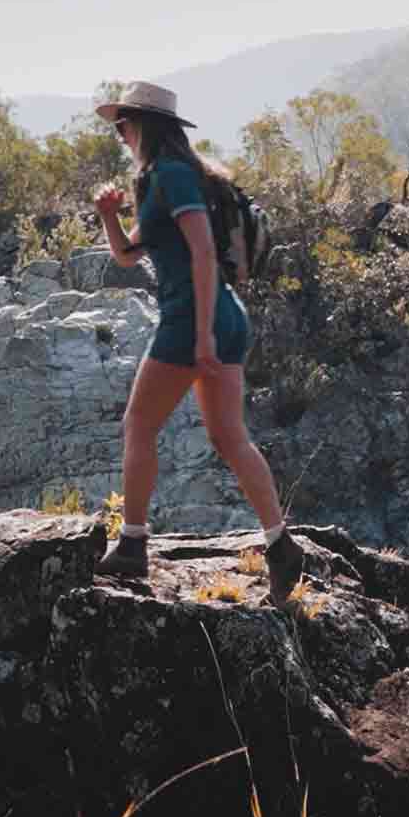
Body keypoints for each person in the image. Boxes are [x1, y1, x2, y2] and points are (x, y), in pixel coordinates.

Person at [92, 81, 305, 607]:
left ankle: (133, 543)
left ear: (143, 125)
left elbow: (204, 253)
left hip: (195, 320)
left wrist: (203, 333)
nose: (120, 135)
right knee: (230, 438)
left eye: (122, 125)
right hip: (224, 318)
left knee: (139, 424)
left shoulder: (171, 176)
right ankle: (282, 548)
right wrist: (108, 216)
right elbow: (126, 255)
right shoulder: (172, 179)